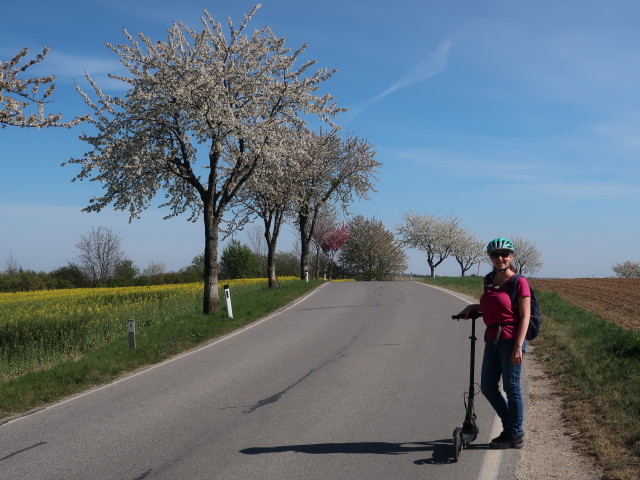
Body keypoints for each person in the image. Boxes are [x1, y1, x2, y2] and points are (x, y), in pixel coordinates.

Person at [457, 237, 531, 449]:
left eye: (505, 254)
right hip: (492, 338)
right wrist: (473, 307)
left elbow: (525, 317)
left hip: (511, 339)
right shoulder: (489, 279)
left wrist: (518, 346)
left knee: (511, 387)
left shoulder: (519, 282)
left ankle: (514, 434)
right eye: (495, 255)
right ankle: (512, 427)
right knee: (488, 386)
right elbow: (493, 304)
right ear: (490, 258)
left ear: (511, 256)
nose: (500, 258)